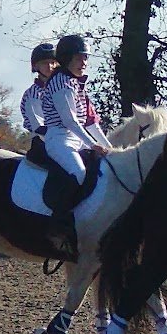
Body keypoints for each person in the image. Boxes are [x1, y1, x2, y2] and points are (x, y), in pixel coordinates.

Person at [41, 34, 111, 212]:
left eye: (86, 57)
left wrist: (111, 148)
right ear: (66, 58)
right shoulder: (59, 82)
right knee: (78, 173)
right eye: (79, 57)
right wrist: (93, 145)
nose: (84, 62)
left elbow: (91, 123)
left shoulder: (76, 84)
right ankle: (59, 222)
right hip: (59, 140)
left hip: (78, 139)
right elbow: (70, 121)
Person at [20, 43, 57, 145]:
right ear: (36, 66)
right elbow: (38, 126)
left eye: (53, 62)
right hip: (43, 143)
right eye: (45, 63)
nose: (50, 66)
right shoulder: (33, 94)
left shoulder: (61, 90)